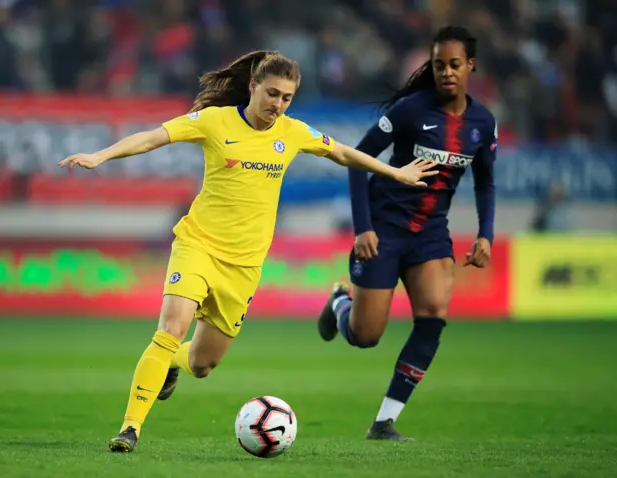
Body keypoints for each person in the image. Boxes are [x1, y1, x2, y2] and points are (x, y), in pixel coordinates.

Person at [58, 50, 438, 453]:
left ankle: (173, 364)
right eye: (272, 93)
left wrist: (396, 171)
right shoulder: (214, 121)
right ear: (253, 86)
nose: (278, 104)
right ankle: (130, 429)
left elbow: (342, 152)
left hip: (244, 266)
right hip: (198, 245)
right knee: (171, 328)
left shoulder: (292, 132)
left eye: (287, 97)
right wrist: (100, 156)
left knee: (203, 364)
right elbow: (153, 137)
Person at [316, 26, 498, 440]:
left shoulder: (482, 123)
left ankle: (384, 421)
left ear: (471, 65)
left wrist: (485, 234)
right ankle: (341, 301)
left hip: (431, 234)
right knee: (365, 337)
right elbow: (357, 161)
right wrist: (363, 228)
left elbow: (485, 182)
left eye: (454, 64)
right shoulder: (410, 112)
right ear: (431, 67)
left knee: (433, 315)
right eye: (438, 65)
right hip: (384, 230)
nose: (446, 72)